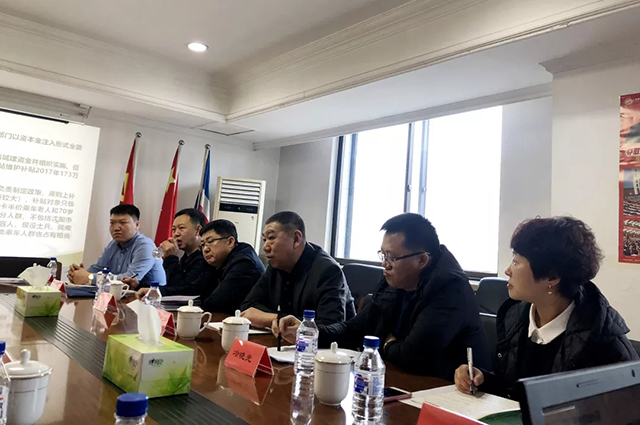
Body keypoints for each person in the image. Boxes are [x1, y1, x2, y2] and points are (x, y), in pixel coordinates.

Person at [273, 213, 490, 379]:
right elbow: (355, 329)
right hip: (399, 379)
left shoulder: (448, 288)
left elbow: (413, 356)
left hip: (448, 391)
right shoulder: (394, 280)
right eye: (383, 255)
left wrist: (385, 345)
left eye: (392, 257)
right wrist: (308, 331)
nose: (384, 265)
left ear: (422, 260)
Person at [454, 216, 639, 400]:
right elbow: (514, 388)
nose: (507, 270)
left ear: (552, 278)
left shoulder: (605, 342)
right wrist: (483, 380)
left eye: (516, 262)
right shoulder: (515, 317)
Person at [240, 211, 355, 328]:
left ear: (296, 239)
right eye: (264, 240)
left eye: (271, 238)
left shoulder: (328, 271)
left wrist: (274, 319)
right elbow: (249, 307)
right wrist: (278, 319)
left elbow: (331, 325)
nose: (265, 247)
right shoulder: (276, 265)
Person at [136, 219, 265, 314]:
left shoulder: (244, 263)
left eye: (210, 242)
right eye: (203, 245)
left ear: (230, 242)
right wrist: (154, 291)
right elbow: (194, 290)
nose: (206, 249)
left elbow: (214, 303)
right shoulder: (217, 261)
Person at [68, 204, 166, 286]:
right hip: (123, 297)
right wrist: (78, 273)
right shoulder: (113, 245)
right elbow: (98, 268)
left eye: (123, 223)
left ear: (137, 225)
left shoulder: (145, 246)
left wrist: (89, 277)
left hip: (151, 299)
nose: (116, 228)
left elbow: (128, 279)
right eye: (112, 223)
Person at [126, 208, 206, 291]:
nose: (176, 234)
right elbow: (169, 287)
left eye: (181, 228)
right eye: (174, 229)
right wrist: (138, 285)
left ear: (198, 230)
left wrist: (171, 258)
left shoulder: (205, 258)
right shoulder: (186, 257)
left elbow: (182, 291)